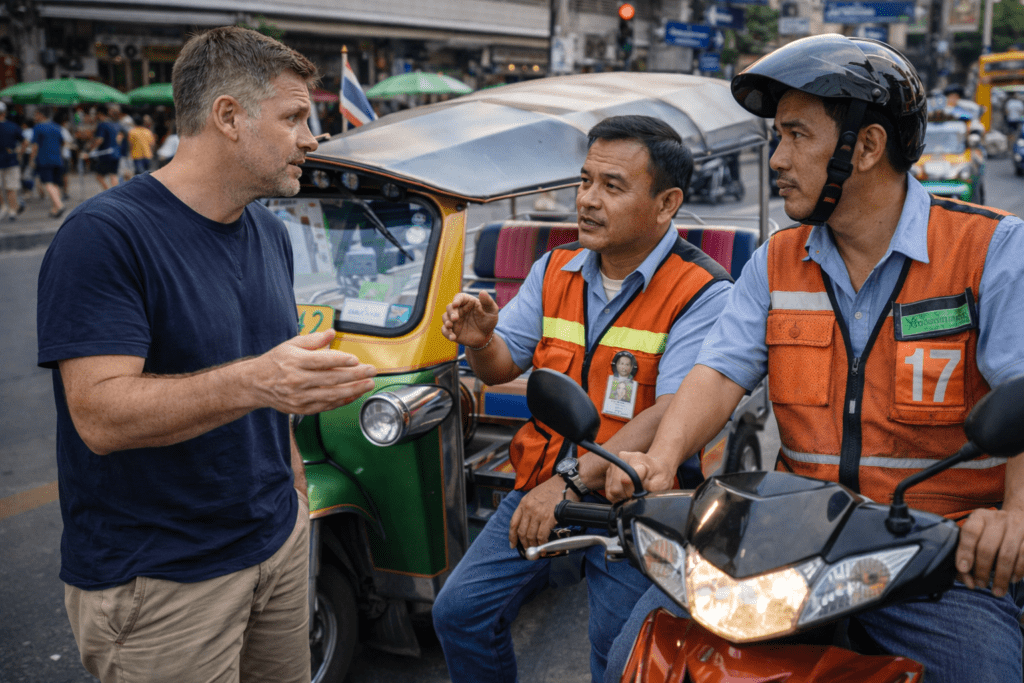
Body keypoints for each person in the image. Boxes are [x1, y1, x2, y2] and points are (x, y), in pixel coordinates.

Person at [605, 34, 1024, 683]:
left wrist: (1016, 516)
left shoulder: (990, 251)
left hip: (936, 565)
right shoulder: (776, 260)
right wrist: (658, 463)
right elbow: (718, 373)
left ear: (866, 146)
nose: (777, 158)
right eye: (777, 137)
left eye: (796, 135)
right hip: (784, 549)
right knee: (634, 655)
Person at [36, 26, 378, 683]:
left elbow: (275, 396)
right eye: (294, 117)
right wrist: (259, 380)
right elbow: (100, 416)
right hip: (163, 581)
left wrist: (297, 499)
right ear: (228, 116)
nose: (313, 138)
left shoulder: (271, 233)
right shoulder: (105, 236)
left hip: (276, 547)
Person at [433, 114, 734, 683]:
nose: (587, 200)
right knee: (460, 613)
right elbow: (500, 367)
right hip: (540, 483)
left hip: (630, 505)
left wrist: (567, 480)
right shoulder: (555, 267)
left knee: (616, 654)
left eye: (612, 186)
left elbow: (669, 409)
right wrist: (481, 340)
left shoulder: (704, 292)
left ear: (667, 203)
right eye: (584, 180)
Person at [29, 107, 65, 218]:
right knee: (55, 184)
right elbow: (62, 143)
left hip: (44, 159)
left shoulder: (38, 127)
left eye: (36, 115)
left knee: (48, 183)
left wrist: (31, 160)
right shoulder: (57, 127)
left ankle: (59, 205)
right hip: (57, 159)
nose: (35, 117)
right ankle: (54, 208)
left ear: (40, 115)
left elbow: (35, 146)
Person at [0, 102, 23, 220]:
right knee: (11, 188)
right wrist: (19, 152)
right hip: (11, 161)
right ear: (4, 113)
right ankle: (12, 211)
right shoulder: (13, 126)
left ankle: (3, 207)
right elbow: (25, 141)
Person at [90, 104, 121, 189]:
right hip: (116, 153)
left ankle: (109, 194)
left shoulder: (102, 125)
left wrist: (91, 149)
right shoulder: (113, 124)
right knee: (113, 175)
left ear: (99, 114)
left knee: (99, 176)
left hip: (106, 154)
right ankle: (117, 195)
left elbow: (100, 140)